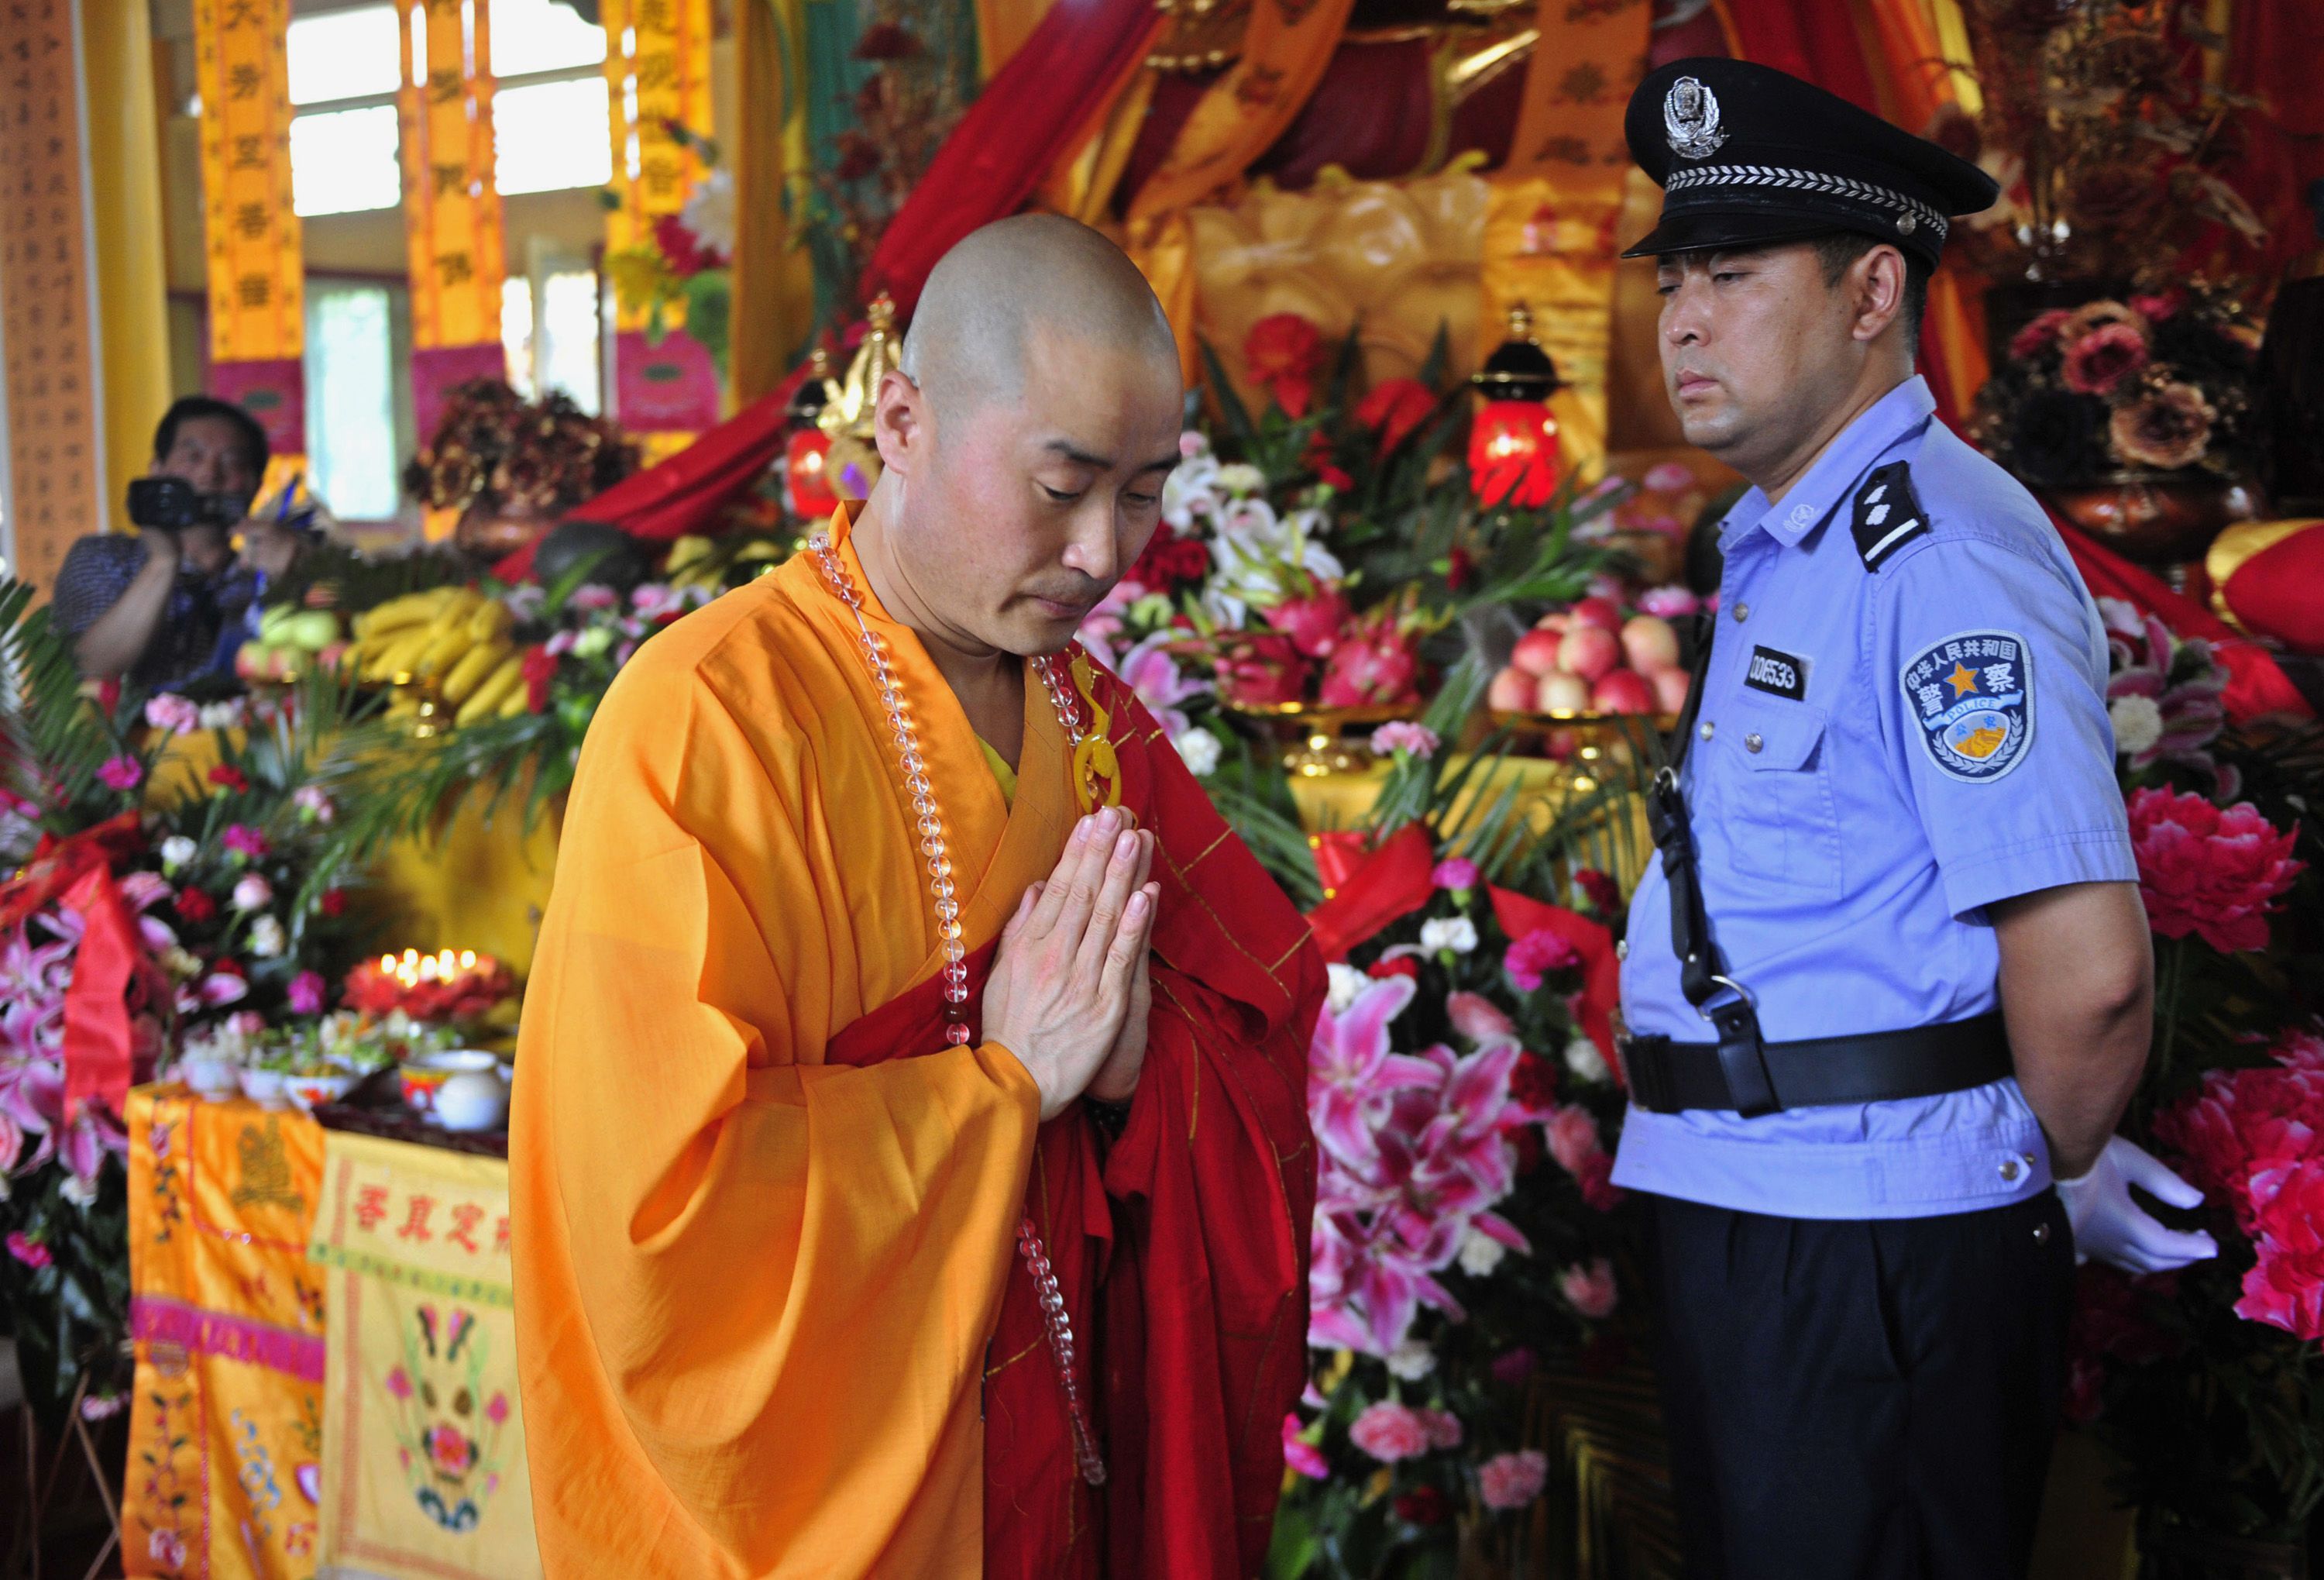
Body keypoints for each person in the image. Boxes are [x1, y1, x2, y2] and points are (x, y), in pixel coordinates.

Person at [510, 215, 1323, 1578]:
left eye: (1139, 494)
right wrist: (1002, 1083)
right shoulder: (709, 718)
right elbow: (657, 1208)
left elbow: (1246, 1035)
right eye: (1061, 482)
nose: (1100, 549)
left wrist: (1131, 1062)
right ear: (900, 417)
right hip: (844, 1502)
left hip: (1062, 1461)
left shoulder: (1092, 722)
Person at [1607, 60, 2217, 1579]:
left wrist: (2046, 1169)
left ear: (1874, 287)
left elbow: (2091, 971)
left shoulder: (1937, 554)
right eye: (1674, 277)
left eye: (1732, 275)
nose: (1682, 318)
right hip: (1766, 1208)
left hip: (1871, 1240)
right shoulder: (1792, 537)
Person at [52, 395, 305, 690]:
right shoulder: (104, 557)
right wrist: (163, 562)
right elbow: (89, 667)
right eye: (192, 457)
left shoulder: (266, 571)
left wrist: (299, 573)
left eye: (232, 462)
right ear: (156, 471)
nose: (210, 474)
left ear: (255, 485)